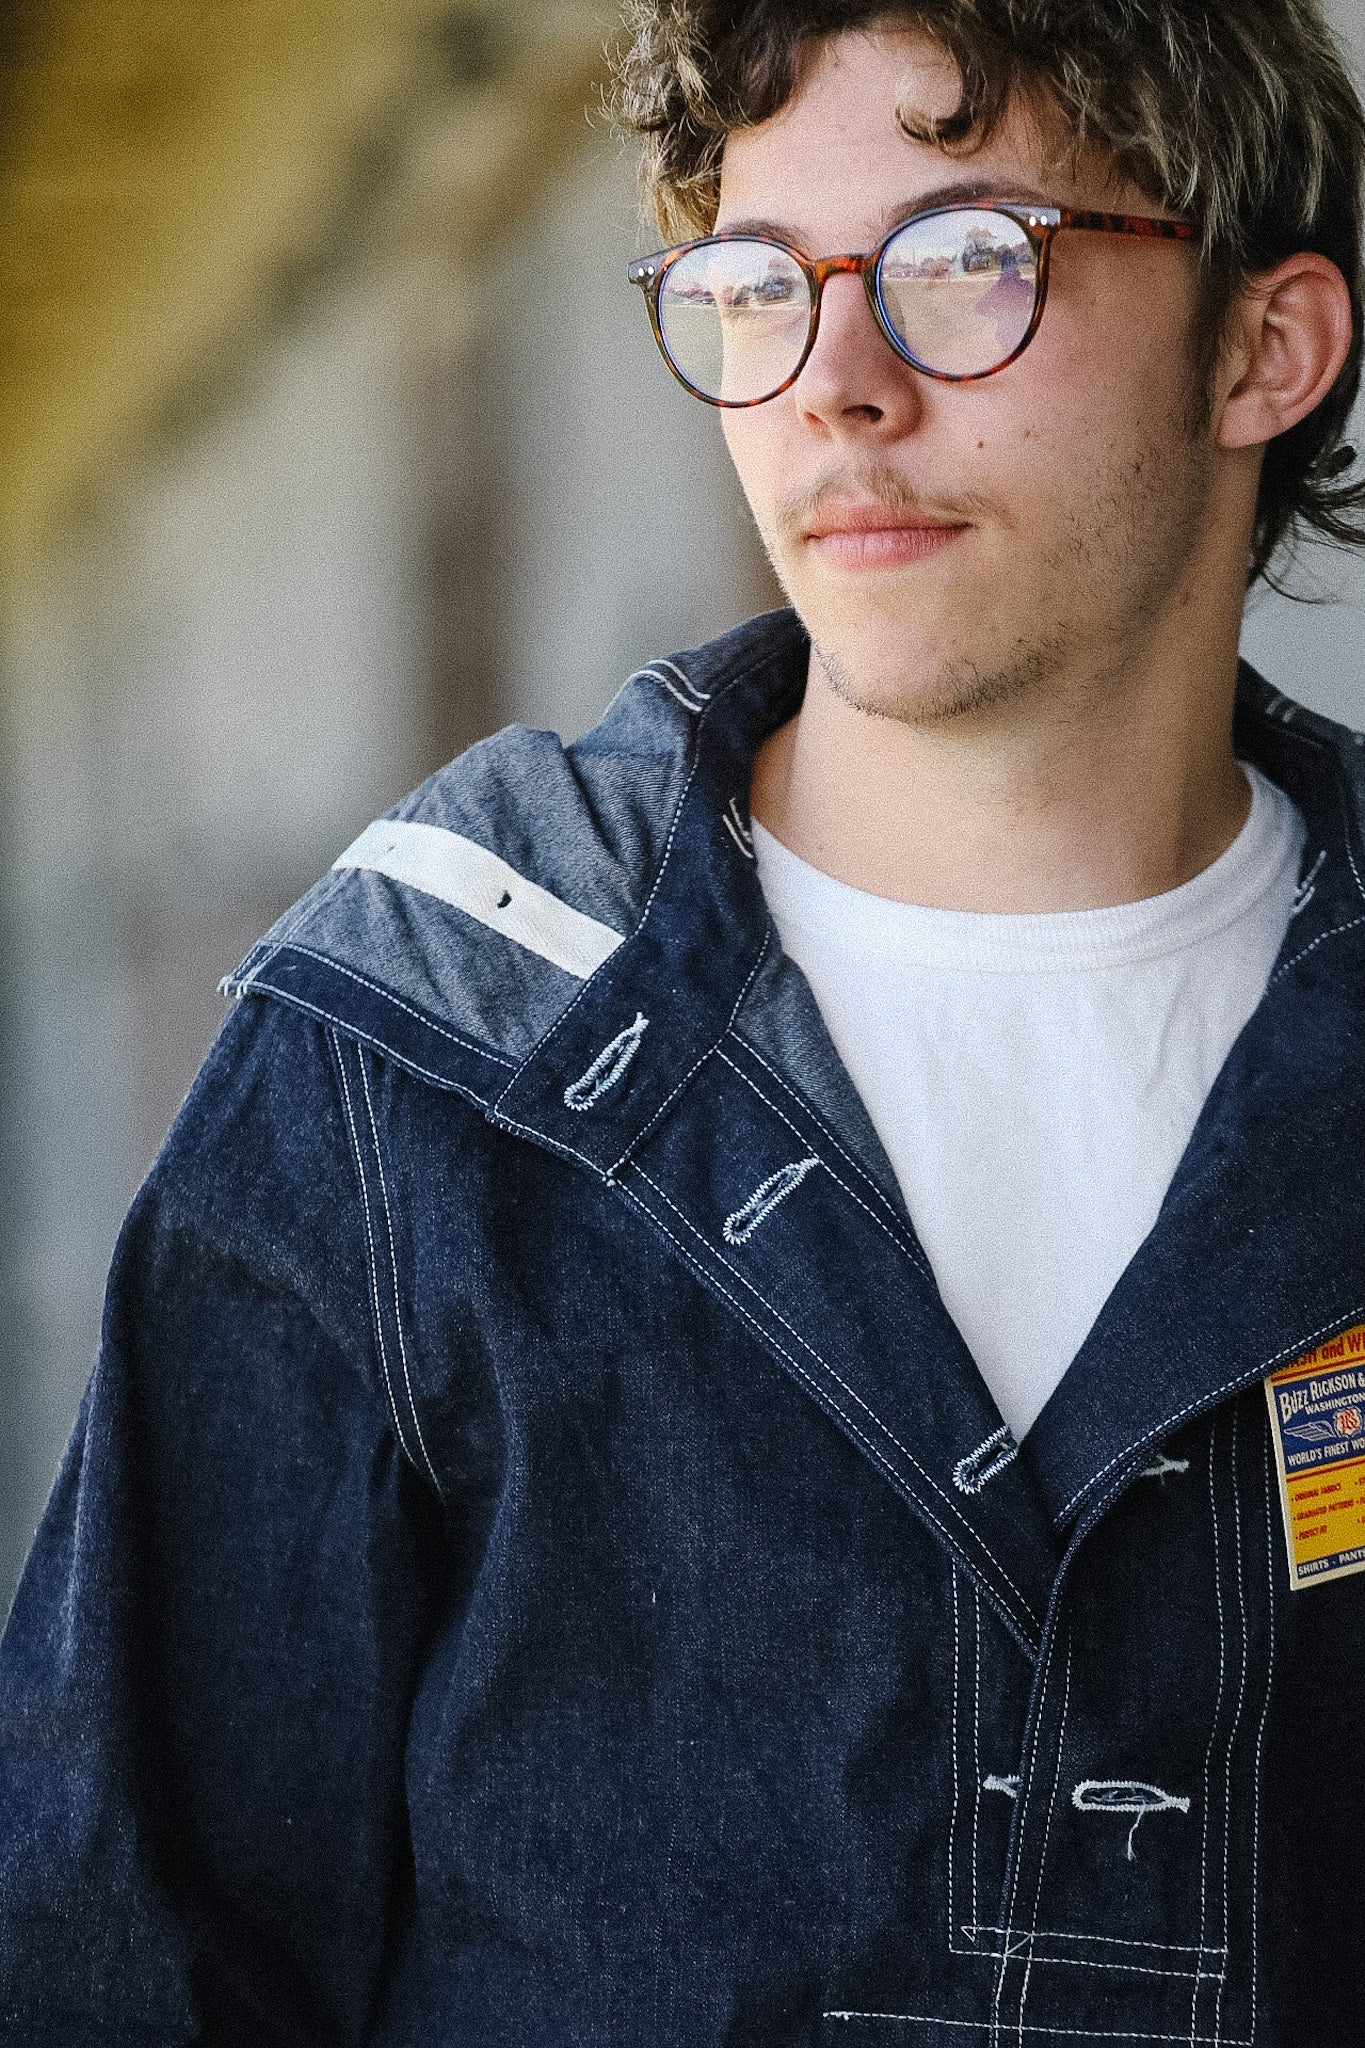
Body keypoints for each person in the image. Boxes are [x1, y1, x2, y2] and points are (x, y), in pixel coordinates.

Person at [1, 0, 1363, 2040]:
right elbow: (121, 1950)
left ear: (1264, 346)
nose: (835, 384)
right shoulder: (428, 1041)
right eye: (753, 288)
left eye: (965, 262)